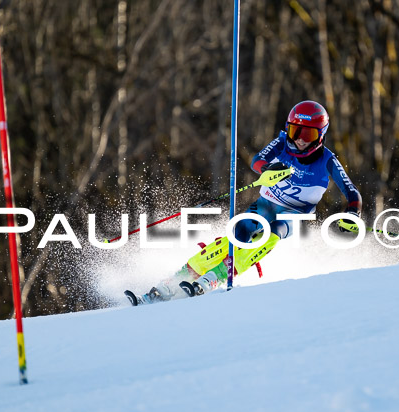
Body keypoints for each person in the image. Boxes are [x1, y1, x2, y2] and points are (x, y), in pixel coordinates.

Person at [130, 100, 361, 305]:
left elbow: (352, 194)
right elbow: (257, 160)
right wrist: (267, 169)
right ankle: (177, 280)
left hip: (294, 214)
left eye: (307, 134)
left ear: (320, 135)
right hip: (266, 203)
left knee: (272, 233)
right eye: (294, 131)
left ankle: (217, 276)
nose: (299, 139)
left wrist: (352, 214)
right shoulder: (282, 143)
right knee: (240, 230)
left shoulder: (328, 160)